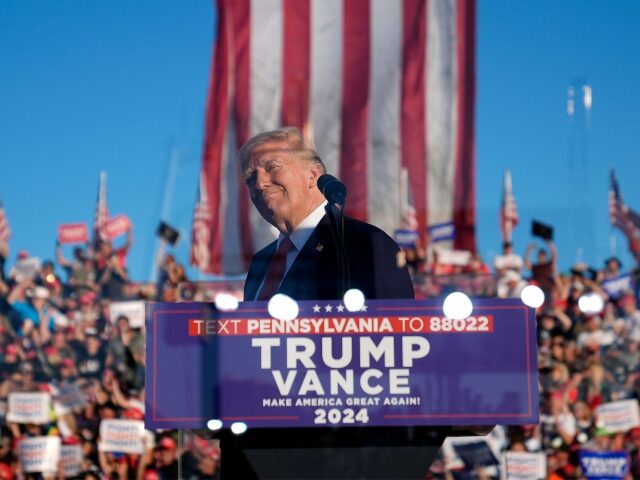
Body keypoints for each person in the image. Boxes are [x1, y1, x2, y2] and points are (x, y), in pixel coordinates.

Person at [240, 126, 414, 301]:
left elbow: (393, 322)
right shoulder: (260, 262)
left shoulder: (366, 245)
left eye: (272, 167)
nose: (260, 184)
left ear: (313, 174)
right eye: (251, 178)